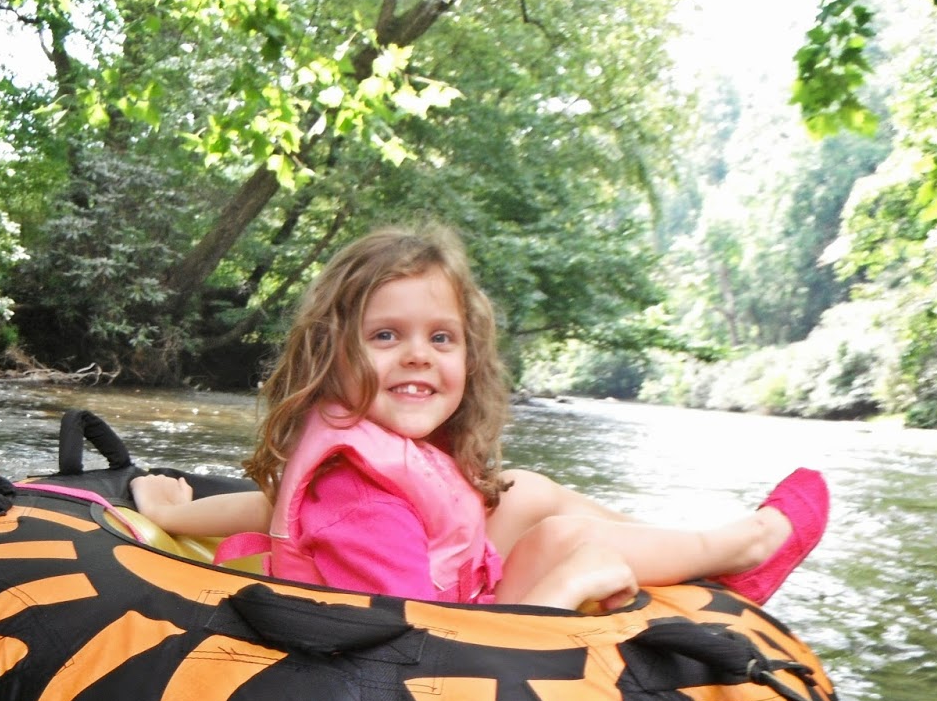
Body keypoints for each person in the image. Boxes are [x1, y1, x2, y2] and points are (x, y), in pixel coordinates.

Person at [130, 226, 828, 611]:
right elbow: (420, 657)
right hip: (451, 632)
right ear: (331, 354)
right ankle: (739, 550)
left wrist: (181, 513)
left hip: (453, 584)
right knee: (570, 544)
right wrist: (560, 594)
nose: (417, 357)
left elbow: (285, 506)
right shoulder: (362, 507)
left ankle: (717, 559)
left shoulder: (358, 453)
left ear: (470, 356)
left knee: (526, 493)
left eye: (441, 338)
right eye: (385, 336)